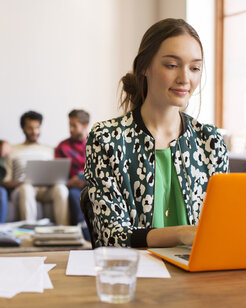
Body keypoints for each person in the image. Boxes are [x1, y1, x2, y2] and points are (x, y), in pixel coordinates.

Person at [84, 18, 229, 248]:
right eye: (172, 65)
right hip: (136, 276)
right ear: (144, 66)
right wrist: (181, 234)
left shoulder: (210, 142)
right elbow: (112, 236)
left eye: (195, 68)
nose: (185, 78)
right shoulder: (107, 139)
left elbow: (223, 227)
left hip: (201, 277)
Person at [3, 111, 69, 225]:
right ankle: (29, 230)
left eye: (37, 128)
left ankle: (64, 230)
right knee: (26, 188)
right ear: (23, 128)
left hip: (45, 190)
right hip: (22, 189)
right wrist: (22, 182)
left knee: (61, 189)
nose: (34, 132)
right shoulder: (12, 150)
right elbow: (6, 181)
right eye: (30, 128)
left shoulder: (49, 150)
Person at [55, 109, 90, 226]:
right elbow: (56, 176)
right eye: (69, 125)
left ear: (85, 125)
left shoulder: (96, 144)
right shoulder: (62, 147)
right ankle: (83, 232)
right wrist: (69, 182)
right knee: (76, 196)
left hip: (93, 185)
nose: (70, 129)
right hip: (72, 187)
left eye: (74, 126)